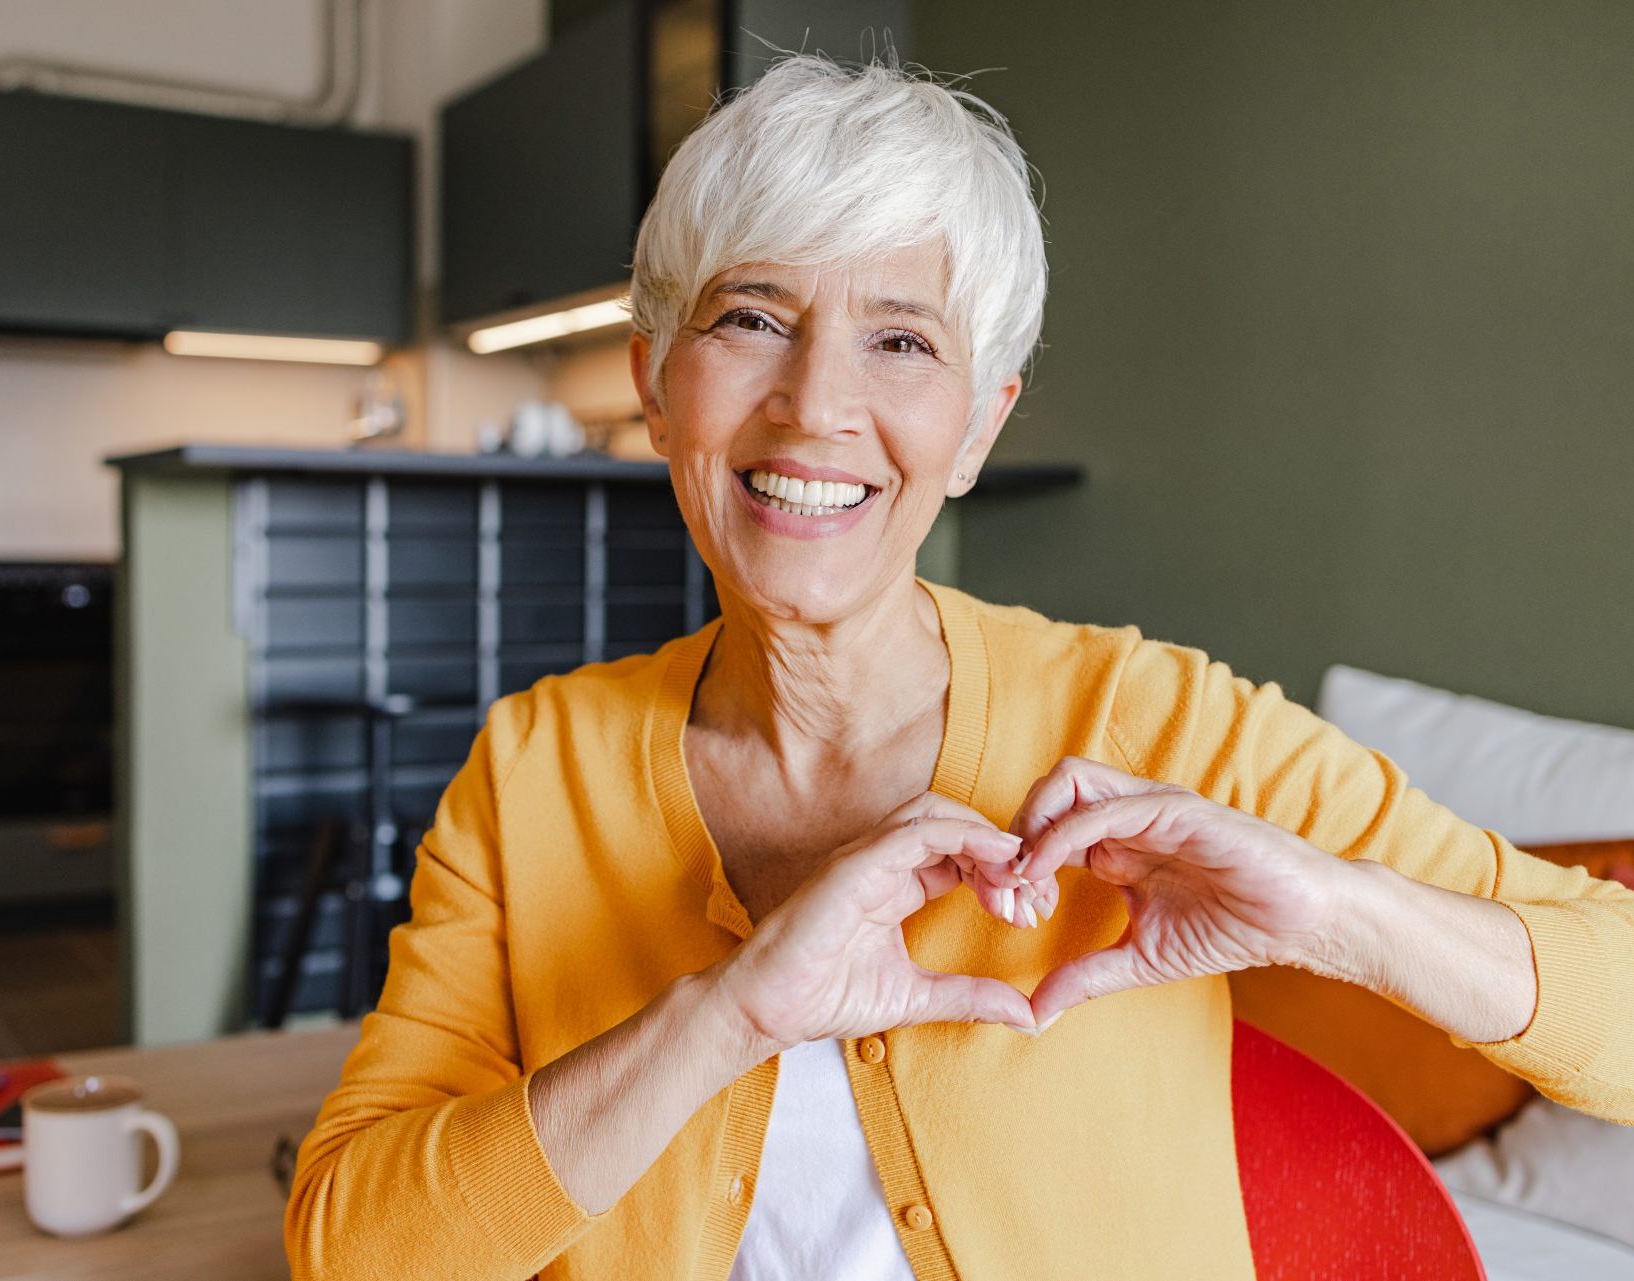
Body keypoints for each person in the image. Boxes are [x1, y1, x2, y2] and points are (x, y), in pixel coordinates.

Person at [284, 52, 1634, 1281]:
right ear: (653, 383)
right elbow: (356, 1250)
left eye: (900, 339)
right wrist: (729, 1010)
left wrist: (1339, 912)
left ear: (977, 426)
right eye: (750, 317)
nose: (815, 404)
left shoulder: (1158, 720)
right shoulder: (533, 770)